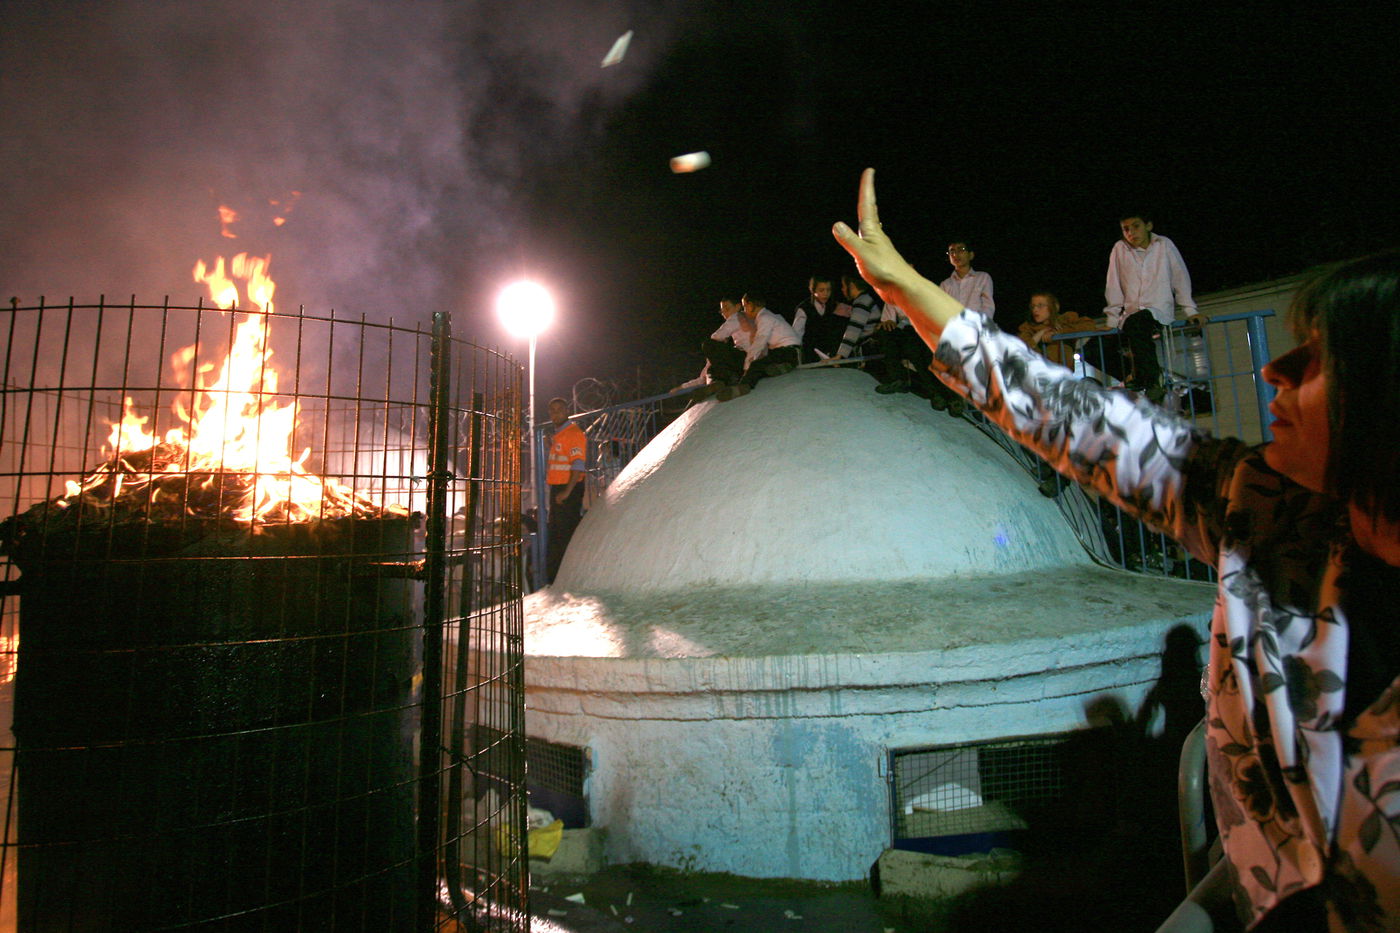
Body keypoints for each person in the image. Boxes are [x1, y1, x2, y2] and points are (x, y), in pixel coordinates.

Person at [834, 168, 1400, 932]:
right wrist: (904, 290)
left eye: (1314, 359)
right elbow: (1075, 416)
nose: (1272, 369)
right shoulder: (1266, 510)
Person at [1105, 212, 1200, 398]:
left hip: (1158, 312)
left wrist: (1190, 311)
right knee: (1096, 348)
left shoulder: (1164, 245)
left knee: (1138, 323)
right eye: (1126, 229)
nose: (1131, 232)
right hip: (1130, 315)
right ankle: (1138, 376)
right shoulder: (1119, 248)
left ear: (1148, 226)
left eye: (1136, 226)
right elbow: (1113, 284)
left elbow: (1180, 278)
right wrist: (1112, 318)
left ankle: (1150, 380)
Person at [544, 396, 587, 584]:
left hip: (568, 490)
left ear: (567, 410)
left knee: (564, 534)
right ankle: (556, 579)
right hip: (559, 490)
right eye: (552, 410)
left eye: (559, 409)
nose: (555, 414)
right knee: (556, 534)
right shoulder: (559, 435)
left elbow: (578, 465)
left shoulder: (573, 433)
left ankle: (567, 578)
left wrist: (567, 492)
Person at [1017, 291, 1106, 367]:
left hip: (1064, 376)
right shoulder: (1027, 327)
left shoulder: (1066, 319)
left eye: (1040, 306)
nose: (1035, 310)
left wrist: (1059, 332)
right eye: (1033, 306)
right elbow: (1020, 350)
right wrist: (1039, 334)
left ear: (1054, 306)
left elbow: (1089, 325)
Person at [792, 275, 849, 361]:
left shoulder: (833, 306)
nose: (826, 294)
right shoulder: (804, 309)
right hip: (811, 357)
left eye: (828, 290)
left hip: (830, 356)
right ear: (812, 290)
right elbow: (796, 336)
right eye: (821, 290)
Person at [832, 273, 883, 361]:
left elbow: (854, 329)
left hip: (871, 354)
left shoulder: (862, 302)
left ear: (851, 285)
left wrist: (840, 356)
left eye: (843, 286)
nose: (842, 289)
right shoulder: (866, 299)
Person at [939, 239, 995, 317]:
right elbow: (942, 310)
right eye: (952, 251)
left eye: (961, 250)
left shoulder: (983, 278)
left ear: (971, 255)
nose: (955, 254)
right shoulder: (945, 285)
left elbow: (988, 307)